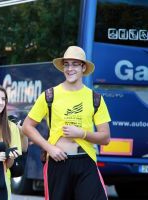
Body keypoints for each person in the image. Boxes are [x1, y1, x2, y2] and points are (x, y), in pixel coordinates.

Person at [22, 46, 111, 200]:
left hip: (86, 162)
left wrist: (81, 133)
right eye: (66, 64)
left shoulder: (95, 98)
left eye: (75, 64)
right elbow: (27, 127)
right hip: (58, 162)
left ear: (83, 67)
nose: (70, 69)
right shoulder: (50, 95)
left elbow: (105, 138)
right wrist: (50, 148)